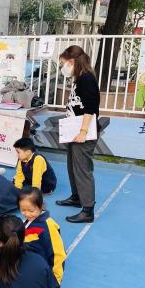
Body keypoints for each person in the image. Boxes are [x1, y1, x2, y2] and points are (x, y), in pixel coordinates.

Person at [56, 45, 101, 223]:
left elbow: (91, 107)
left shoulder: (87, 78)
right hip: (73, 129)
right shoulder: (79, 78)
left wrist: (83, 132)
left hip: (84, 131)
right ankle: (76, 197)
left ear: (72, 61)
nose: (63, 67)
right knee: (72, 166)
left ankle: (88, 210)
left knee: (82, 170)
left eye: (63, 63)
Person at [19, 187, 66, 285]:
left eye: (31, 211)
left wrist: (55, 280)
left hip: (43, 270)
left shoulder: (48, 226)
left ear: (41, 206)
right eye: (23, 210)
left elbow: (58, 254)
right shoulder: (27, 222)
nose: (27, 214)